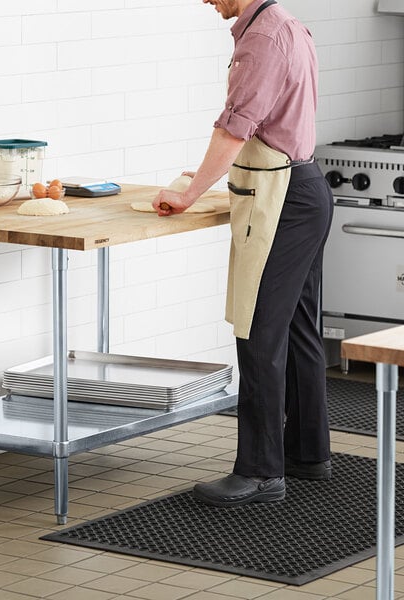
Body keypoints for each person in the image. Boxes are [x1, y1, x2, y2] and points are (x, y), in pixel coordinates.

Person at [153, 0, 334, 507]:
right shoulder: (285, 25)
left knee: (257, 330)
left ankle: (259, 472)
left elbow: (235, 129)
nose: (204, 0)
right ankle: (306, 453)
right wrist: (204, 178)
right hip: (303, 190)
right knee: (298, 328)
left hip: (282, 203)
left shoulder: (260, 39)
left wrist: (189, 195)